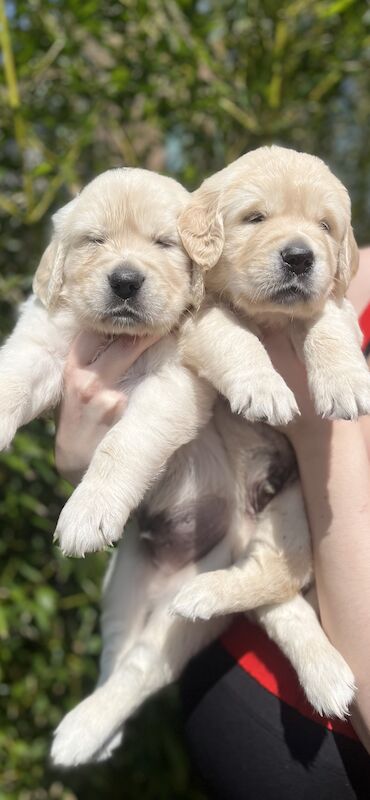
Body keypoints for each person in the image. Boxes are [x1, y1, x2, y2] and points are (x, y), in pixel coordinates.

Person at [55, 249, 370, 799]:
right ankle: (113, 681)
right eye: (255, 217)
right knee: (125, 610)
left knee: (263, 570)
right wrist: (90, 462)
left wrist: (322, 432)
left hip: (266, 599)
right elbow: (189, 352)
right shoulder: (336, 266)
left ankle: (120, 687)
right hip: (200, 551)